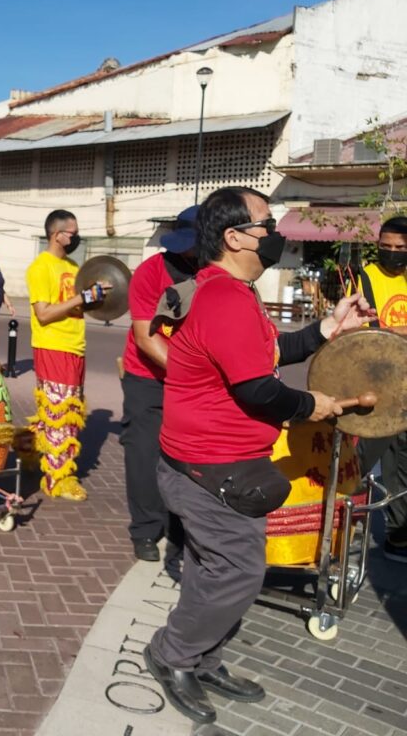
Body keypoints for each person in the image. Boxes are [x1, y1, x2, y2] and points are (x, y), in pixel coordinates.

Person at [144, 187, 373, 725]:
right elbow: (258, 391)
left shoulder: (228, 292)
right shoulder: (223, 297)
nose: (276, 232)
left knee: (209, 569)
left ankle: (203, 659)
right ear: (235, 236)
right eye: (267, 223)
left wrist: (328, 328)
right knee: (240, 574)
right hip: (210, 468)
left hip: (209, 463)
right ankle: (172, 653)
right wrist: (311, 404)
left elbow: (270, 353)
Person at [120, 206, 199, 561]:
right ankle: (146, 529)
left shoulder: (214, 273)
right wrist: (190, 374)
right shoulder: (150, 273)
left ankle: (179, 527)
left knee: (185, 457)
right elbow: (145, 337)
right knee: (144, 452)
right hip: (148, 376)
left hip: (191, 381)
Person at [27, 210, 102, 501]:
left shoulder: (73, 266)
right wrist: (80, 298)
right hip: (53, 346)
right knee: (60, 412)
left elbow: (77, 306)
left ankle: (31, 451)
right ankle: (58, 479)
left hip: (75, 345)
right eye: (72, 232)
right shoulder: (40, 267)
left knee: (65, 409)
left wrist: (94, 298)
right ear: (56, 234)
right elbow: (43, 314)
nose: (75, 237)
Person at [357, 216, 407, 561]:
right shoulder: (365, 278)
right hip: (375, 384)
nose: (392, 254)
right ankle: (332, 517)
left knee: (402, 461)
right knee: (361, 457)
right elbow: (358, 332)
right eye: (386, 247)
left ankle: (398, 535)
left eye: (400, 249)